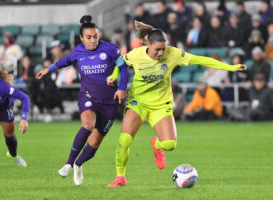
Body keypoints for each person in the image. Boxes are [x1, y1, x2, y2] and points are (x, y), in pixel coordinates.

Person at [107, 21, 246, 187]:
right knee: (124, 140)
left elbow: (200, 60)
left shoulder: (173, 54)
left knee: (170, 144)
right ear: (147, 44)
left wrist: (229, 67)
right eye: (157, 49)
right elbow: (120, 63)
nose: (160, 53)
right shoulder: (136, 54)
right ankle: (120, 178)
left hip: (161, 105)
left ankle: (156, 145)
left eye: (163, 48)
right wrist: (114, 76)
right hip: (138, 102)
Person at [35, 15, 129, 186]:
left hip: (109, 102)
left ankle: (78, 165)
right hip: (88, 96)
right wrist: (48, 69)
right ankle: (69, 163)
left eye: (95, 36)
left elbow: (124, 67)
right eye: (89, 37)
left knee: (93, 145)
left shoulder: (110, 49)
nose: (93, 40)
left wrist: (122, 87)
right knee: (87, 124)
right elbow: (66, 61)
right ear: (81, 38)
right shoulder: (78, 51)